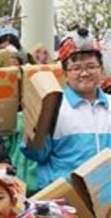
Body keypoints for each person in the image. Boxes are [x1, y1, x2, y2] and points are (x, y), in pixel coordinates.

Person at [20, 28, 110, 189]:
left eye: (91, 66)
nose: (84, 73)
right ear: (65, 73)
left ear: (102, 70)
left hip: (105, 198)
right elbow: (38, 155)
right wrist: (30, 133)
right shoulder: (53, 105)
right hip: (66, 199)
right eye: (76, 68)